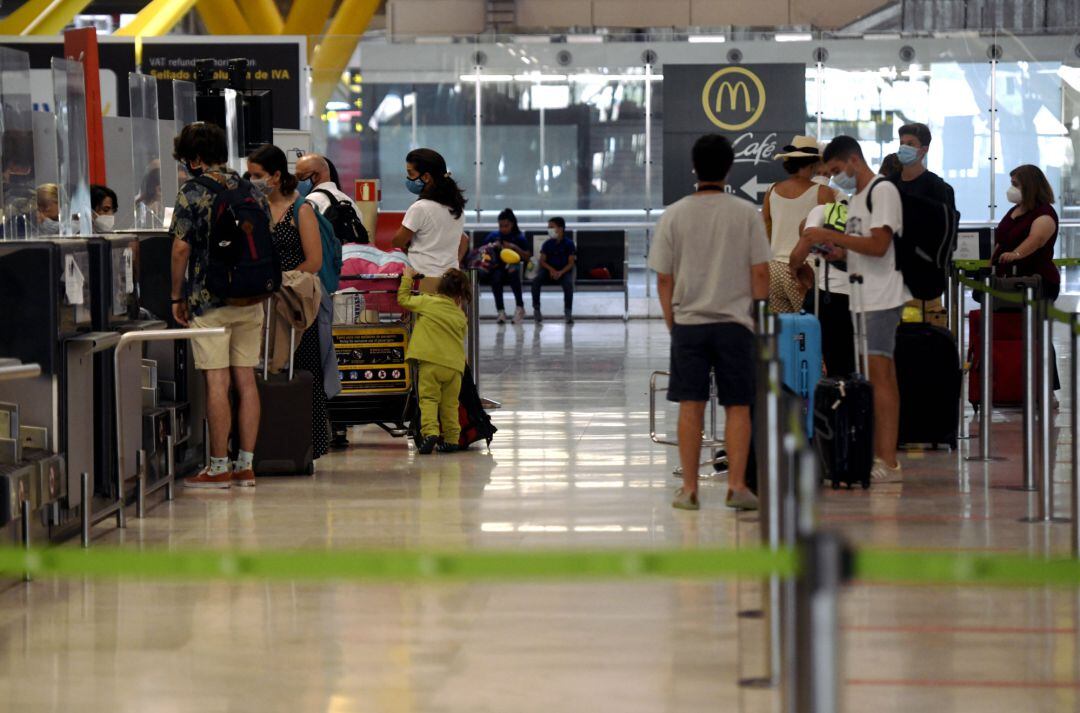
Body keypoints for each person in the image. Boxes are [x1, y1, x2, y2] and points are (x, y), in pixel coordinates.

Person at [648, 134, 770, 512]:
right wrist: (749, 315)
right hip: (735, 324)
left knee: (691, 405)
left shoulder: (675, 214)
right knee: (738, 406)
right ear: (729, 168)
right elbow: (761, 277)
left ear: (694, 168)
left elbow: (663, 279)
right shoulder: (745, 213)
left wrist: (674, 322)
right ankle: (736, 485)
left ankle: (689, 489)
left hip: (689, 323)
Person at [790, 135, 906, 484]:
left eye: (837, 170)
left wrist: (830, 234)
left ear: (854, 160)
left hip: (881, 296)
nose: (835, 177)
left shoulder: (881, 191)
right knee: (873, 375)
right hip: (862, 294)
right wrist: (832, 250)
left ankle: (888, 460)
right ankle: (876, 452)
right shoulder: (857, 199)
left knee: (881, 375)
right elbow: (859, 250)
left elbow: (879, 244)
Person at [169, 122, 269, 489]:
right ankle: (246, 465)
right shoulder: (251, 190)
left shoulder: (192, 191)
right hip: (251, 296)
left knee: (217, 381)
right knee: (246, 379)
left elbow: (181, 248)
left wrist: (176, 296)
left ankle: (217, 465)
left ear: (194, 159)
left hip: (208, 299)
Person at [248, 143, 330, 462]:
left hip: (294, 305)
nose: (252, 180)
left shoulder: (302, 209)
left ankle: (307, 444)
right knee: (265, 371)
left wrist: (278, 279)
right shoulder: (254, 207)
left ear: (277, 175)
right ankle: (271, 441)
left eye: (258, 175)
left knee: (303, 369)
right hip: (262, 305)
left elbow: (314, 260)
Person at [397, 265, 470, 454]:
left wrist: (407, 277)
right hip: (454, 367)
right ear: (459, 296)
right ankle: (452, 439)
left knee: (429, 400)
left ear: (438, 289)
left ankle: (430, 433)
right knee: (450, 404)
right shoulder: (460, 315)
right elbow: (462, 336)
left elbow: (403, 299)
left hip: (430, 362)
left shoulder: (428, 302)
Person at [762, 136, 833, 313]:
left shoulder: (772, 189)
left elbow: (765, 230)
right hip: (804, 271)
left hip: (774, 268)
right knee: (807, 329)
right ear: (814, 164)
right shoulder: (823, 192)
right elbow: (833, 233)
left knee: (783, 332)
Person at [393, 148, 469, 292]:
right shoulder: (455, 206)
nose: (408, 179)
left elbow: (397, 241)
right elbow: (464, 240)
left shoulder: (420, 208)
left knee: (422, 315)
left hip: (424, 281)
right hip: (450, 282)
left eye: (411, 174)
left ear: (426, 177)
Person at [482, 208, 531, 324]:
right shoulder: (493, 236)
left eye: (506, 226)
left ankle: (520, 307)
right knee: (495, 278)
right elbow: (482, 251)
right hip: (497, 268)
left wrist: (514, 247)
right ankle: (500, 311)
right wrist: (492, 246)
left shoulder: (519, 237)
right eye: (501, 226)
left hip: (513, 267)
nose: (503, 229)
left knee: (513, 273)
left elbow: (527, 257)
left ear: (512, 225)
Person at [531, 216, 576, 324]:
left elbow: (571, 263)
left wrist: (560, 272)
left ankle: (568, 312)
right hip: (548, 271)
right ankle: (537, 310)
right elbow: (542, 261)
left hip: (563, 271)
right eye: (548, 227)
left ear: (560, 228)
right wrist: (551, 270)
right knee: (536, 282)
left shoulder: (569, 244)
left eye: (551, 227)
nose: (549, 229)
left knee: (568, 284)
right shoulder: (547, 244)